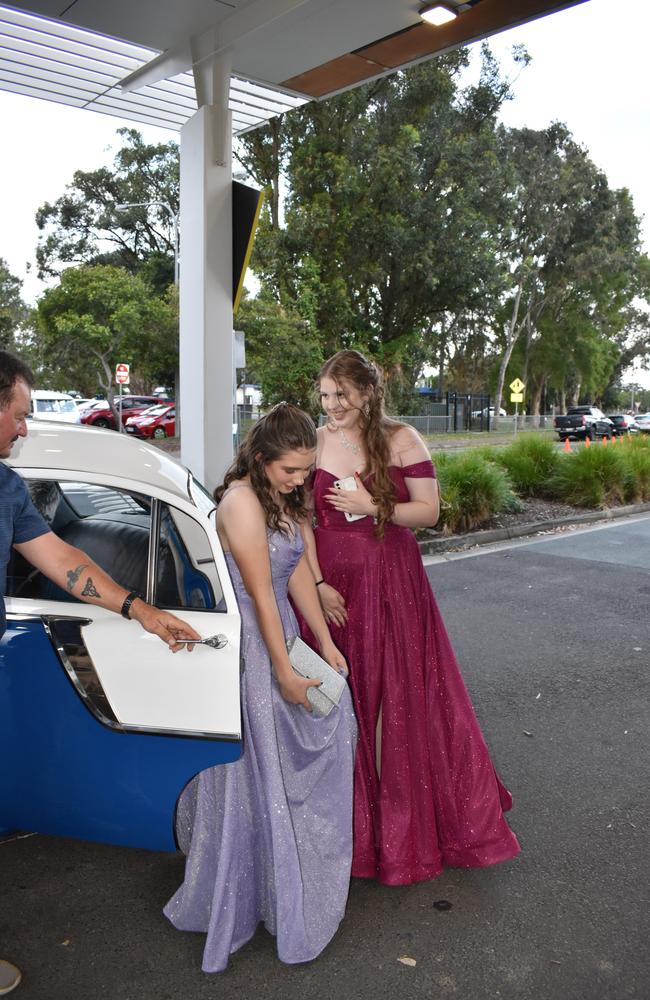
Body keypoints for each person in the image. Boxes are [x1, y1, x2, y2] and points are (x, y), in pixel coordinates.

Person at [1, 351, 201, 996]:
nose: (24, 429)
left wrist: (139, 608)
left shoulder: (5, 487)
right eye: (20, 413)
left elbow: (59, 557)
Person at [301, 349, 520, 886]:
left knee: (397, 701)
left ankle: (397, 832)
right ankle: (341, 831)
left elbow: (428, 511)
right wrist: (318, 584)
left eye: (342, 396)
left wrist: (373, 503)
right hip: (332, 586)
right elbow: (301, 518)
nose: (332, 406)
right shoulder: (316, 440)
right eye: (326, 396)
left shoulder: (402, 439)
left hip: (391, 584)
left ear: (368, 393)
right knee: (335, 699)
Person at [164, 403, 357, 973]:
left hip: (285, 633)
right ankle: (248, 888)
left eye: (306, 470)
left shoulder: (281, 496)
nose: (302, 481)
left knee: (301, 750)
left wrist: (324, 643)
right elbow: (261, 591)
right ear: (262, 456)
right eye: (293, 470)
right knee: (259, 767)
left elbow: (296, 572)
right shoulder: (242, 502)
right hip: (251, 646)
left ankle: (280, 878)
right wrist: (280, 669)